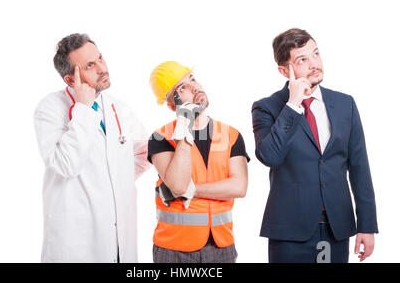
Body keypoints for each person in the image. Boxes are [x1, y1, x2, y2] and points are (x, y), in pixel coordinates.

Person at [251, 28, 378, 263]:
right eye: (302, 59)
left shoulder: (345, 104)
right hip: (289, 232)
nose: (314, 64)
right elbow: (270, 156)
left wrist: (367, 225)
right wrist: (293, 105)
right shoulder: (266, 107)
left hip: (336, 228)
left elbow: (360, 168)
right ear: (283, 70)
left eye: (316, 54)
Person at [33, 33, 150, 263]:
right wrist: (83, 108)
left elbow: (143, 155)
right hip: (76, 244)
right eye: (89, 65)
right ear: (70, 79)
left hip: (120, 242)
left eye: (100, 58)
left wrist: (109, 181)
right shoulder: (49, 109)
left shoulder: (120, 108)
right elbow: (66, 165)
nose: (102, 68)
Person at [148, 61, 250, 263]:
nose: (195, 87)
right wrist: (184, 126)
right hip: (174, 250)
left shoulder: (231, 135)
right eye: (182, 88)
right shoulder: (160, 137)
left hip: (222, 247)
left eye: (192, 79)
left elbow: (239, 187)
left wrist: (190, 191)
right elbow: (178, 184)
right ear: (171, 105)